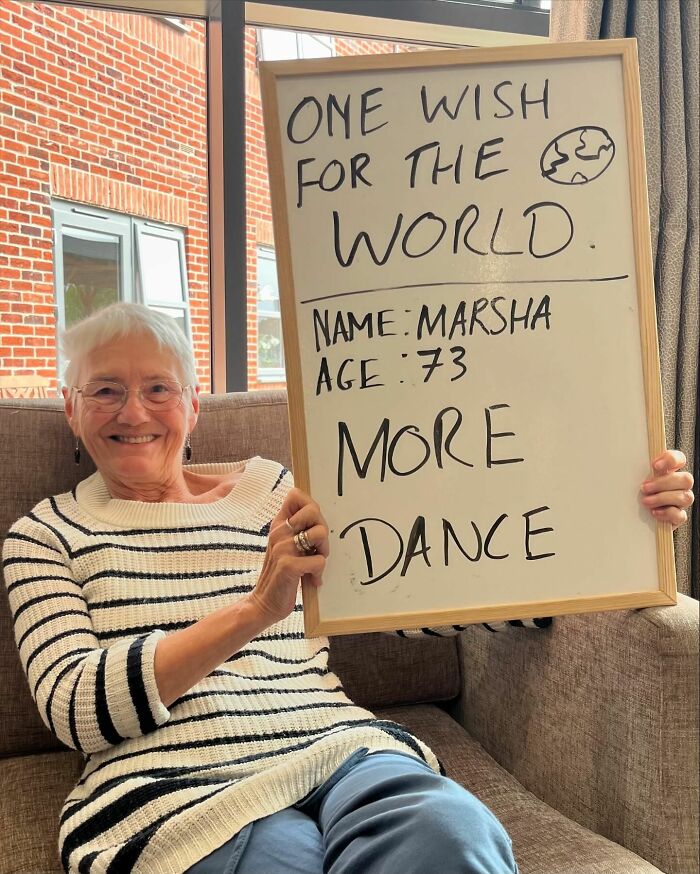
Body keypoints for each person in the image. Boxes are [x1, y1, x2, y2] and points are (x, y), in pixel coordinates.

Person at [2, 304, 693, 874]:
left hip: (340, 752)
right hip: (172, 796)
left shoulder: (274, 489)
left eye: (158, 387)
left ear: (192, 404)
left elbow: (406, 587)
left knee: (454, 839)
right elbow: (77, 710)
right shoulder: (44, 536)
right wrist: (253, 613)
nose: (134, 410)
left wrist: (611, 524)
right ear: (70, 407)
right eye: (104, 390)